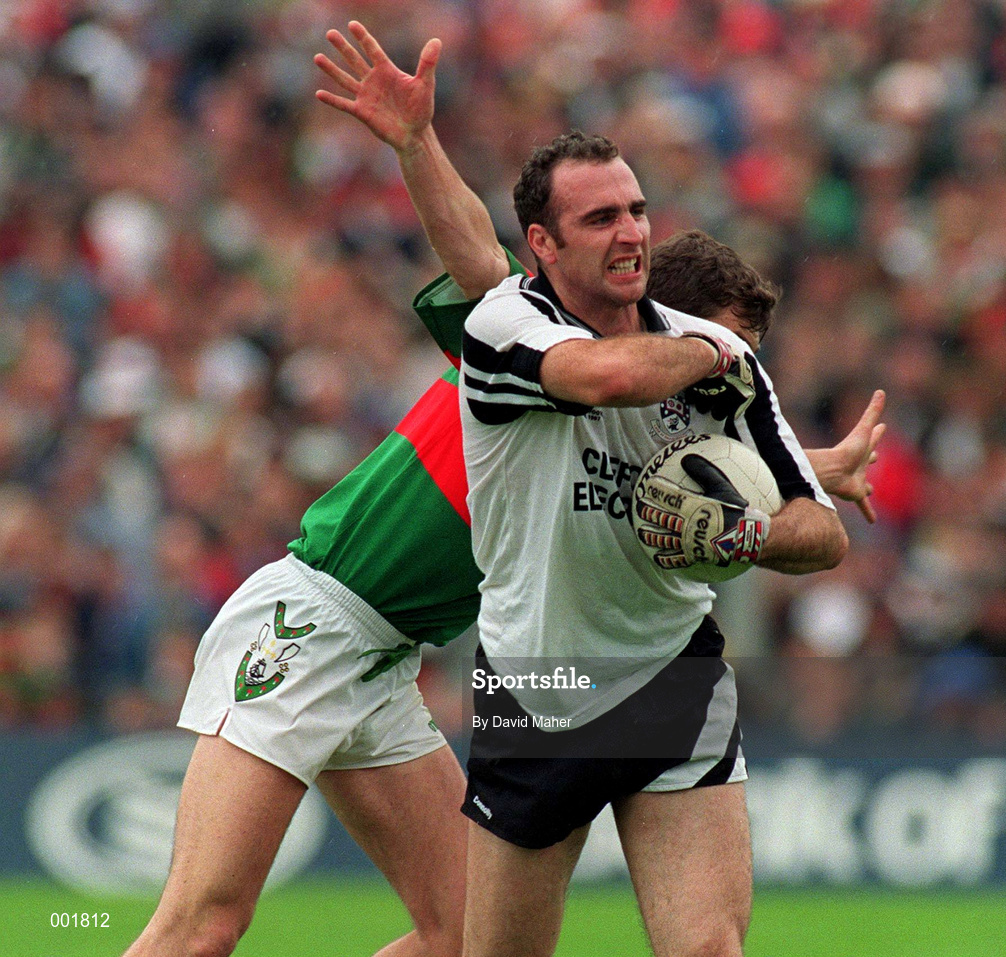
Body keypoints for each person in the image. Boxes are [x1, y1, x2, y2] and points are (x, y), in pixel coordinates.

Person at [123, 22, 883, 957]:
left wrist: (791, 475)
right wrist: (415, 142)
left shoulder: (670, 406)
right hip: (313, 617)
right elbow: (490, 266)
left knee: (455, 937)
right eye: (605, 221)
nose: (707, 373)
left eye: (636, 213)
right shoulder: (512, 339)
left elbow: (668, 460)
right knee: (204, 925)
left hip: (393, 657)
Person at [456, 130, 850, 957]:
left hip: (674, 678)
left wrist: (747, 532)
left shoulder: (728, 362)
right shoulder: (504, 324)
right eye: (600, 218)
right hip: (536, 684)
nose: (632, 231)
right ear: (543, 243)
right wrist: (711, 347)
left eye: (637, 210)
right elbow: (603, 378)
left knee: (708, 948)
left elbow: (823, 531)